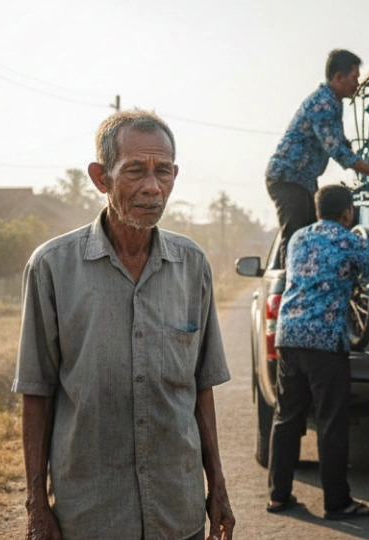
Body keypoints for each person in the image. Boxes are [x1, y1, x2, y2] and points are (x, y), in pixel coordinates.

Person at [13, 110, 235, 540]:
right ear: (101, 178)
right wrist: (37, 507)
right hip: (90, 518)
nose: (153, 187)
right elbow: (36, 393)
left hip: (178, 512)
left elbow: (199, 387)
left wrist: (218, 488)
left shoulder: (192, 265)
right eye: (135, 171)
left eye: (163, 171)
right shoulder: (52, 267)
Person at [267, 184, 369, 520]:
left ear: (317, 211)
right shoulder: (352, 241)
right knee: (331, 423)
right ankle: (337, 503)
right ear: (347, 213)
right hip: (325, 342)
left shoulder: (298, 238)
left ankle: (278, 497)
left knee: (287, 418)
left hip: (289, 336)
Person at [266, 49, 369, 263]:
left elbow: (341, 142)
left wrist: (363, 161)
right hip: (287, 177)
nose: (356, 84)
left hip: (305, 179)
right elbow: (336, 149)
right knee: (296, 235)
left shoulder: (334, 103)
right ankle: (292, 287)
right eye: (354, 78)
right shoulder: (322, 104)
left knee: (314, 235)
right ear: (338, 77)